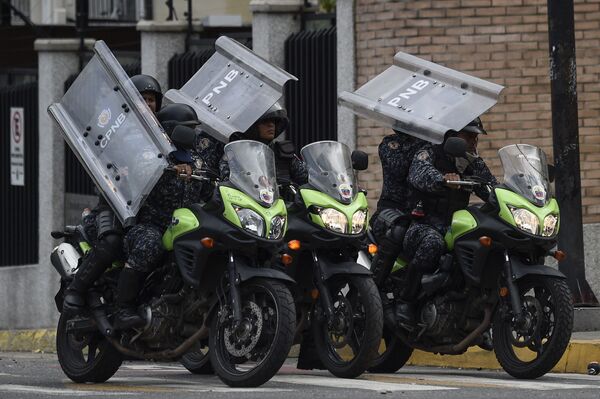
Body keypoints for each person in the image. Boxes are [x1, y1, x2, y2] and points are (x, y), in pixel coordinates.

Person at [62, 74, 163, 314]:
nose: (148, 104)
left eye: (151, 100)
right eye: (142, 99)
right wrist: (117, 171)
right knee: (111, 241)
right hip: (115, 204)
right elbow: (99, 163)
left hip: (147, 207)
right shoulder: (116, 130)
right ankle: (76, 290)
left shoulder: (162, 133)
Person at [113, 103, 210, 329]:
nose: (192, 134)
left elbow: (209, 190)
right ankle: (123, 309)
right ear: (171, 129)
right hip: (150, 225)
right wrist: (166, 168)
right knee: (150, 244)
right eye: (187, 128)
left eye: (194, 128)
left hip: (184, 226)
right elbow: (141, 168)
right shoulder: (150, 153)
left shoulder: (196, 160)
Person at [396, 117, 498, 326]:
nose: (474, 141)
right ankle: (405, 301)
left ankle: (477, 314)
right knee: (433, 243)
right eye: (469, 136)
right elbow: (419, 175)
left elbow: (491, 188)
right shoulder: (429, 153)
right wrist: (442, 180)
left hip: (455, 227)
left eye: (476, 137)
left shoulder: (471, 161)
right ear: (452, 137)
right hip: (423, 225)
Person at [368, 130, 427, 287]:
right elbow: (399, 168)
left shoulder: (432, 146)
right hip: (390, 212)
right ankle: (373, 288)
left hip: (420, 214)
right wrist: (423, 148)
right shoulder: (390, 144)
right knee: (398, 230)